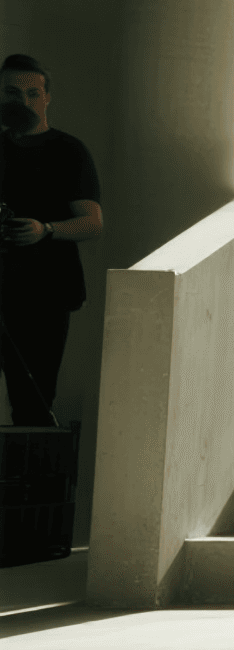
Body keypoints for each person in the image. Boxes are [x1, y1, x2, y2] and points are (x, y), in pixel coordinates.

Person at [0, 55, 103, 429]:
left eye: (33, 93)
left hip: (44, 293)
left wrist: (44, 229)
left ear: (46, 98)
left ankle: (32, 486)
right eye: (13, 92)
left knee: (33, 400)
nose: (23, 102)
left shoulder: (68, 151)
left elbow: (92, 223)